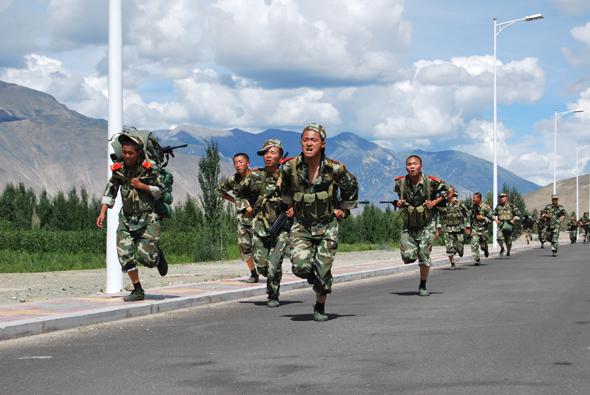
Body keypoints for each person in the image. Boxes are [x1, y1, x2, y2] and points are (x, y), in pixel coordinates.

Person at [280, 123, 358, 321]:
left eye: (313, 140)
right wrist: (288, 206)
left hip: (327, 225)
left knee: (323, 271)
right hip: (302, 225)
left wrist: (343, 208)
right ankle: (318, 280)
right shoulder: (290, 167)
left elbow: (351, 185)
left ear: (322, 144)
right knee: (299, 266)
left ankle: (320, 305)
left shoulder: (334, 168)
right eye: (305, 140)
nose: (308, 143)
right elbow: (285, 190)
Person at [96, 133, 168, 302]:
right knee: (125, 256)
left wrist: (142, 186)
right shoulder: (119, 169)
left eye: (131, 153)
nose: (127, 156)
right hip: (127, 219)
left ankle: (157, 256)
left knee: (147, 259)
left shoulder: (150, 168)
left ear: (138, 153)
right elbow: (110, 190)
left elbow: (161, 191)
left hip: (148, 218)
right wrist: (102, 212)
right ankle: (137, 290)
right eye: (125, 152)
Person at [236, 140, 291, 307]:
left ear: (280, 155)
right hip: (260, 227)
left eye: (272, 152)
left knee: (274, 264)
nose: (268, 156)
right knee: (262, 266)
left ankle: (273, 295)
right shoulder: (255, 176)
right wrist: (246, 208)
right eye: (265, 153)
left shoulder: (290, 176)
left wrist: (293, 206)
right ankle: (269, 278)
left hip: (281, 228)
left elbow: (302, 194)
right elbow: (239, 193)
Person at [395, 155, 447, 296]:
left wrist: (434, 202)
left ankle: (423, 285)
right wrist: (400, 203)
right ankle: (413, 252)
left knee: (424, 257)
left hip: (426, 225)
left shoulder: (431, 182)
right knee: (408, 257)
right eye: (409, 164)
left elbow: (446, 192)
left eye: (415, 164)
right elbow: (401, 198)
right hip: (409, 224)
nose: (412, 166)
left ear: (420, 166)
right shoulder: (400, 183)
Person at [218, 153, 260, 283]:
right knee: (244, 247)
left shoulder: (257, 176)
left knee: (261, 246)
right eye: (235, 162)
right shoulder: (232, 180)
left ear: (248, 162)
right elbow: (220, 191)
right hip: (243, 219)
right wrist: (235, 201)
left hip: (259, 217)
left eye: (240, 162)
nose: (237, 165)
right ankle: (254, 274)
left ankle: (269, 269)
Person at [435, 186, 470, 270]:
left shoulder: (459, 203)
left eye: (449, 192)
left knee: (460, 248)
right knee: (449, 247)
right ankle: (452, 263)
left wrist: (467, 226)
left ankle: (458, 250)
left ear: (453, 193)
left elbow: (467, 214)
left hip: (458, 228)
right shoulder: (443, 204)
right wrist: (438, 229)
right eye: (446, 193)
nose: (447, 194)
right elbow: (439, 216)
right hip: (447, 228)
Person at [493, 192, 521, 257]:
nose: (502, 198)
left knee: (508, 240)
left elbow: (519, 214)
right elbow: (493, 214)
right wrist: (495, 220)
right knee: (499, 238)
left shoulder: (511, 206)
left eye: (503, 197)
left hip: (509, 224)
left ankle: (508, 252)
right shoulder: (498, 206)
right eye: (501, 197)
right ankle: (502, 248)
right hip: (501, 224)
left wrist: (514, 220)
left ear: (506, 198)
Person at [469, 192, 493, 266]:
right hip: (475, 229)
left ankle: (485, 249)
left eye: (474, 198)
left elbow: (491, 218)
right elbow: (470, 217)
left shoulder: (486, 207)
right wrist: (468, 227)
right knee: (474, 245)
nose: (473, 199)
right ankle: (477, 260)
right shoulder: (473, 206)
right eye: (473, 198)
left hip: (483, 230)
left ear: (479, 198)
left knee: (483, 246)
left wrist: (483, 218)